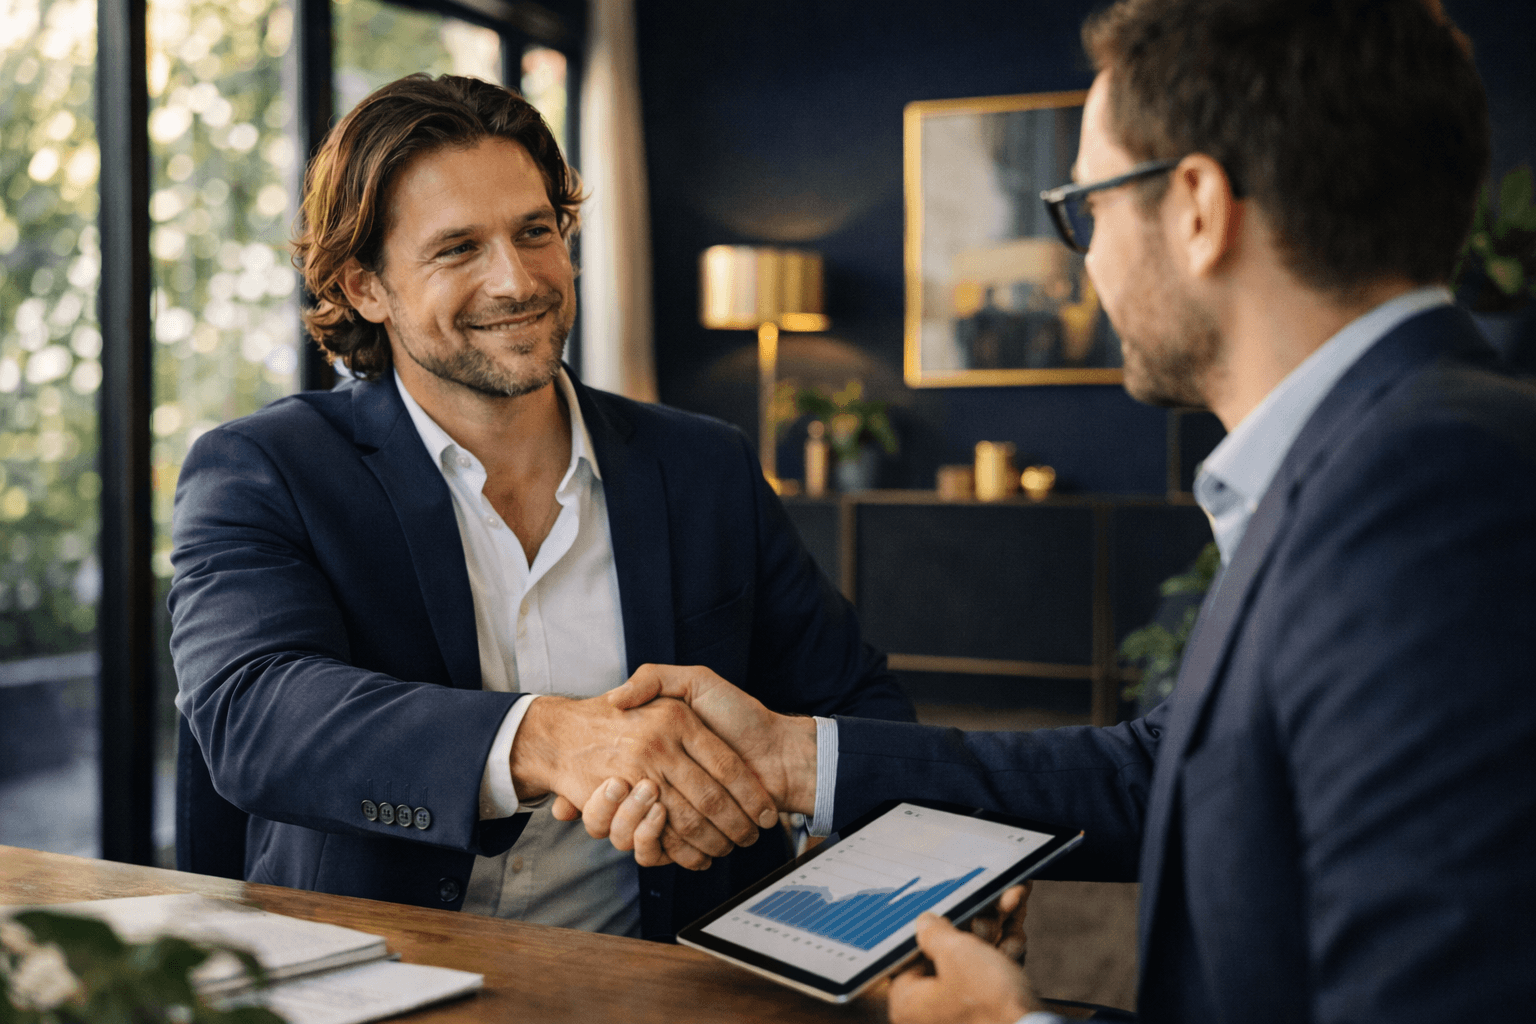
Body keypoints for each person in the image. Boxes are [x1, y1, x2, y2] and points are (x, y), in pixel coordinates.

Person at [566, 0, 1536, 1019]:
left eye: (1087, 207)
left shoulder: (1433, 499)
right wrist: (790, 757)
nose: (1085, 257)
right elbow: (1161, 773)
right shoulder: (1380, 458)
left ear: (1198, 208)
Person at [166, 73, 916, 943]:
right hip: (376, 972)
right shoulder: (265, 467)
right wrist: (549, 738)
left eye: (536, 232)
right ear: (364, 286)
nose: (517, 280)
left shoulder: (703, 462)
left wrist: (907, 867)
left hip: (661, 979)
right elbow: (252, 711)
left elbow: (856, 702)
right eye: (457, 249)